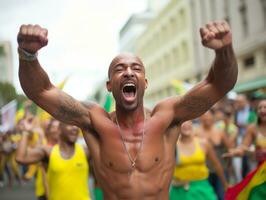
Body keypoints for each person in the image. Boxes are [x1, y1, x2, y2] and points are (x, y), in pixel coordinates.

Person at [17, 20, 238, 199]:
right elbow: (41, 91)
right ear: (110, 85)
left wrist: (225, 50)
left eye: (136, 68)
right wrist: (28, 56)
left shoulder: (168, 117)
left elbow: (219, 84)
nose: (129, 72)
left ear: (145, 82)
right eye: (120, 69)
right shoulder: (94, 122)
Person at [16, 117, 91, 200]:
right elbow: (20, 158)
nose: (74, 128)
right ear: (59, 129)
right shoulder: (48, 152)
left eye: (76, 125)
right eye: (70, 125)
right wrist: (25, 132)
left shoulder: (86, 151)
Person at [170, 120, 228, 200]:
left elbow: (217, 165)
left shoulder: (203, 143)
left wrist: (225, 184)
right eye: (182, 123)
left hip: (201, 187)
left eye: (188, 122)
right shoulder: (173, 145)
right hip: (180, 190)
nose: (185, 125)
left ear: (192, 125)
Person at [195, 110, 231, 200]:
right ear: (200, 118)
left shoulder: (220, 132)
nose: (207, 118)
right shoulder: (196, 133)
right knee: (205, 196)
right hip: (204, 171)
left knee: (221, 196)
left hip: (220, 170)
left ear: (213, 118)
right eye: (204, 116)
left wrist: (228, 162)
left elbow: (230, 148)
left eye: (209, 116)